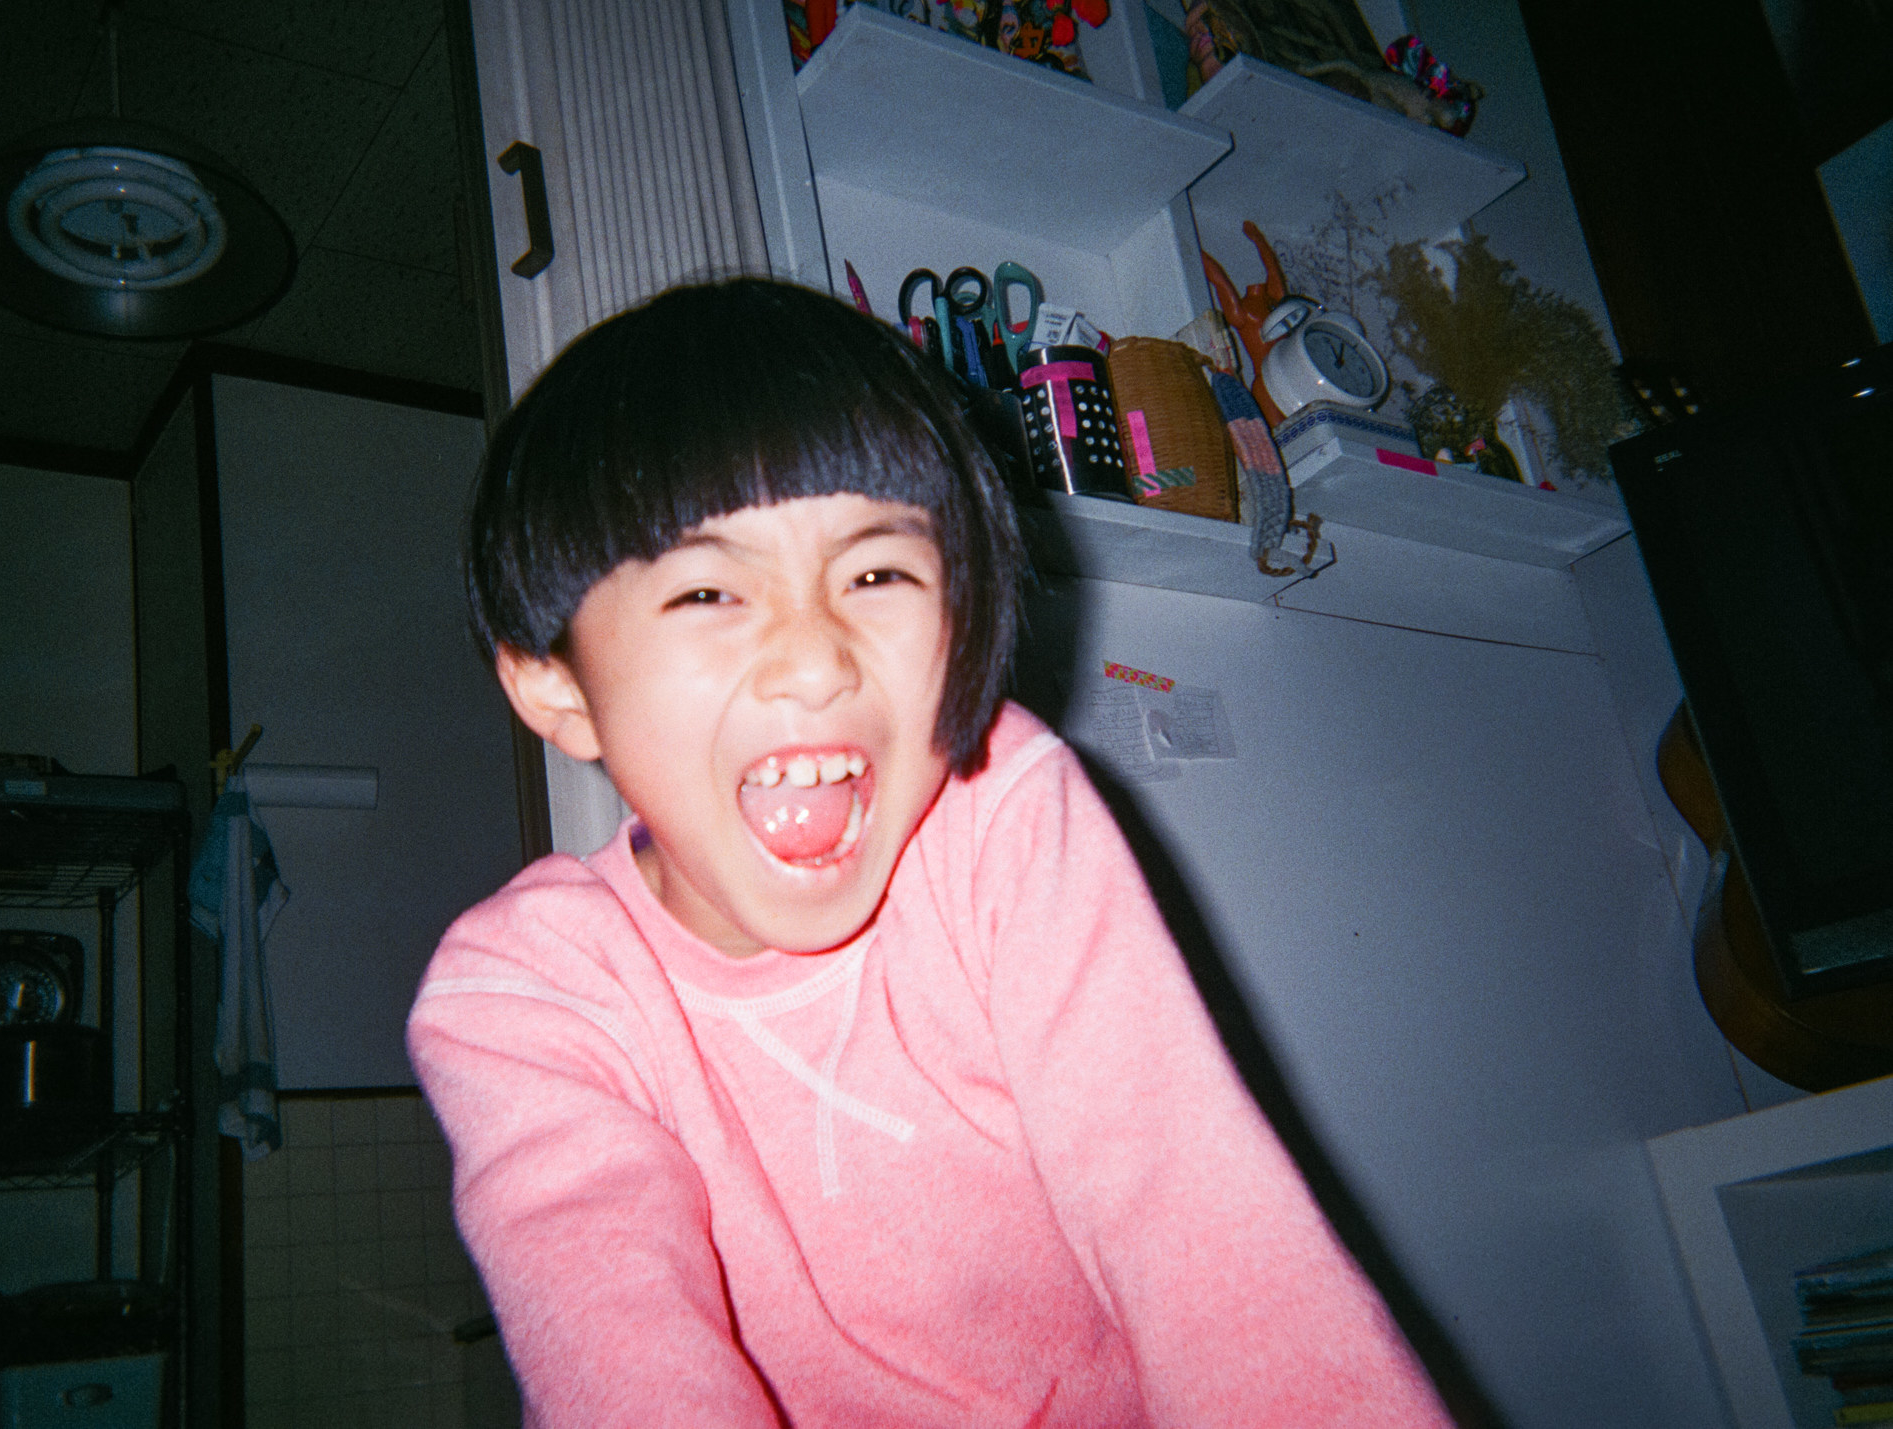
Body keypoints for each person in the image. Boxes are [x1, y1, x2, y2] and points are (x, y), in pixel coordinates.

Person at [407, 277, 1452, 1426]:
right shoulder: (522, 992)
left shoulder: (997, 810)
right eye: (708, 590)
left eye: (876, 575)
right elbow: (624, 1357)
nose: (816, 659)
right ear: (555, 684)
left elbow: (1207, 1235)